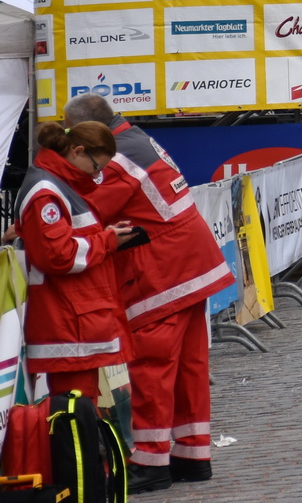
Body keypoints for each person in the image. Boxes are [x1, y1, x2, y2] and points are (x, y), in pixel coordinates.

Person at [60, 95, 229, 489]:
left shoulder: (117, 158)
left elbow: (87, 212)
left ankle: (151, 463)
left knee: (153, 366)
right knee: (189, 367)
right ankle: (192, 453)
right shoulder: (133, 140)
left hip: (164, 271)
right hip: (188, 263)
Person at [11, 121, 137, 401]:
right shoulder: (47, 191)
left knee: (77, 411)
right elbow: (58, 256)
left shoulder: (57, 185)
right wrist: (107, 241)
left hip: (74, 317)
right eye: (96, 167)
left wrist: (106, 236)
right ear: (78, 151)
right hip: (68, 319)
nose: (97, 175)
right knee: (75, 412)